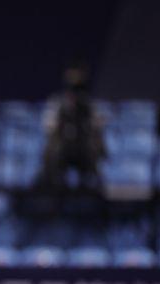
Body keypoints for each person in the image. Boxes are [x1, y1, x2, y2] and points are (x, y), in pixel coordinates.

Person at [37, 60, 106, 191]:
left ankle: (91, 193)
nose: (74, 90)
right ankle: (50, 190)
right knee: (51, 156)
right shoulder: (57, 102)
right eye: (72, 83)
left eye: (78, 84)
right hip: (62, 148)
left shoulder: (89, 103)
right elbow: (49, 126)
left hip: (84, 148)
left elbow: (98, 126)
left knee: (93, 162)